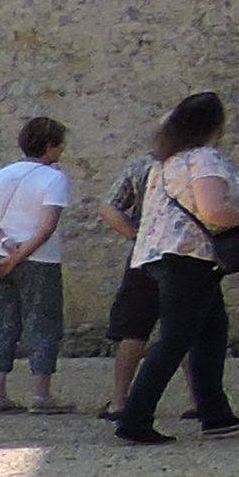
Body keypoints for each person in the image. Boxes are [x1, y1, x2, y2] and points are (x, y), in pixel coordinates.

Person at [107, 93, 239, 445]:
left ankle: (215, 413)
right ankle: (135, 418)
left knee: (211, 332)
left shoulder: (165, 163)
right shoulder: (203, 160)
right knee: (175, 340)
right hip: (189, 257)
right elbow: (213, 211)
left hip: (161, 256)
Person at [0, 116, 74, 415]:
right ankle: (41, 394)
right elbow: (45, 229)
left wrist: (5, 246)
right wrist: (19, 257)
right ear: (50, 147)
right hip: (39, 261)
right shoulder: (54, 179)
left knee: (1, 323)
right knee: (43, 324)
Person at [95, 140, 161, 416]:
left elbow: (109, 209)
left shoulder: (141, 165)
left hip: (144, 255)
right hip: (186, 255)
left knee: (134, 330)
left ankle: (120, 401)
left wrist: (136, 235)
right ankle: (198, 401)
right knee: (184, 329)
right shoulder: (193, 165)